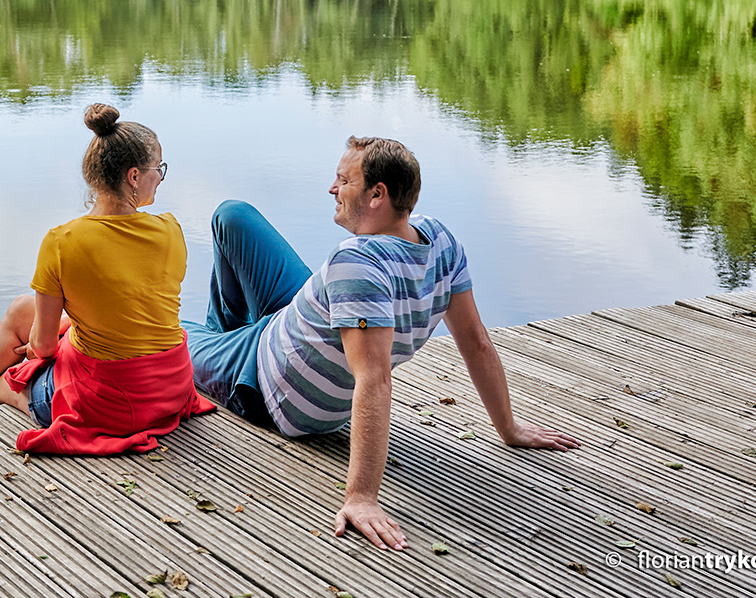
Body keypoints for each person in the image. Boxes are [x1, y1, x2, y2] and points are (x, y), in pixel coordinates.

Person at [186, 136, 580, 549]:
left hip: (265, 379)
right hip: (298, 322)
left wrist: (361, 498)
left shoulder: (356, 263)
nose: (332, 189)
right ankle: (224, 336)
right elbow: (475, 340)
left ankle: (220, 361)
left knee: (168, 333)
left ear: (378, 194)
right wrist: (508, 427)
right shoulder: (438, 241)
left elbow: (374, 379)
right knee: (231, 216)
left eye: (343, 181)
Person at [0, 103, 213, 453]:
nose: (160, 177)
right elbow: (130, 301)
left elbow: (41, 348)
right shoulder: (170, 230)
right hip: (171, 389)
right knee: (20, 310)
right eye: (157, 169)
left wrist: (40, 347)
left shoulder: (63, 242)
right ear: (133, 177)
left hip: (116, 405)